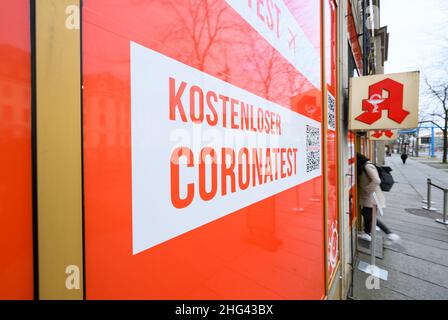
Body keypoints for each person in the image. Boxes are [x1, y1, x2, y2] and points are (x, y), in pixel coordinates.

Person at [357, 153, 400, 244]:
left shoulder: (367, 166)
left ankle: (390, 233)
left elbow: (376, 180)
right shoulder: (364, 166)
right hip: (369, 196)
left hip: (372, 196)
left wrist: (367, 190)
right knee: (366, 214)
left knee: (370, 216)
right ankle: (367, 233)